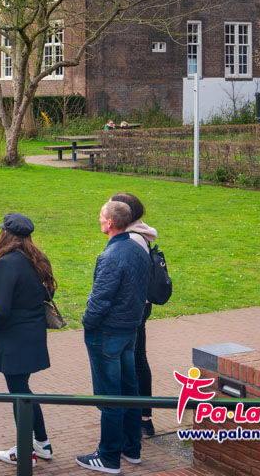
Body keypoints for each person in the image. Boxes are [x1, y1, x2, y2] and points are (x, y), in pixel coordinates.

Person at [76, 201, 151, 475]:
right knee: (130, 389)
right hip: (130, 329)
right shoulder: (139, 248)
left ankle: (108, 456)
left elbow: (100, 299)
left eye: (101, 218)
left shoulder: (111, 256)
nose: (99, 221)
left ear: (109, 224)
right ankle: (131, 449)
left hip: (107, 333)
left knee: (110, 396)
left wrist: (87, 324)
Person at [0, 213, 55, 467]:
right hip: (33, 334)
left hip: (13, 338)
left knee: (19, 393)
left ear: (6, 234)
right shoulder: (36, 259)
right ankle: (42, 443)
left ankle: (26, 451)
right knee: (23, 391)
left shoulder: (7, 263)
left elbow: (0, 307)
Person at [111, 192, 158, 438]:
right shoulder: (139, 233)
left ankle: (143, 418)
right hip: (140, 305)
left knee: (136, 360)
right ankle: (140, 416)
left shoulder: (134, 238)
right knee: (137, 358)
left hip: (136, 306)